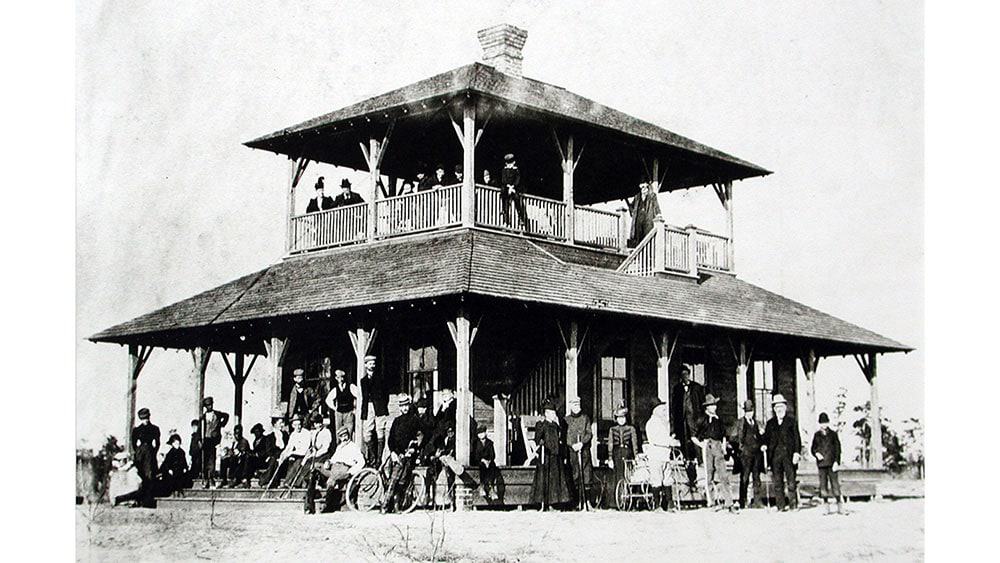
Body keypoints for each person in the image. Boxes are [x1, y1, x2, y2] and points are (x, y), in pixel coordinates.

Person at [306, 425, 366, 513]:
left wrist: (351, 472)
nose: (344, 438)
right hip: (334, 467)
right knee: (315, 466)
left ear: (348, 435)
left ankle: (327, 504)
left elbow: (361, 462)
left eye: (345, 435)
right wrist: (328, 462)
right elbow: (333, 459)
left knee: (332, 478)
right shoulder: (339, 447)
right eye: (342, 436)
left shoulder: (353, 447)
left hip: (344, 468)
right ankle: (309, 504)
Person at [692, 394, 735, 512]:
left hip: (718, 447)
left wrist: (724, 447)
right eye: (711, 405)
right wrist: (702, 445)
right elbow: (693, 436)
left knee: (723, 475)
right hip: (707, 447)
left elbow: (724, 435)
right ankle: (711, 502)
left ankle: (728, 502)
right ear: (707, 407)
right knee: (709, 475)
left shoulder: (718, 420)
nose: (714, 407)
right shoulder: (702, 419)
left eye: (714, 405)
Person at [383, 395, 423, 513]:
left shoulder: (415, 420)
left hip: (409, 454)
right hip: (397, 454)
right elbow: (391, 440)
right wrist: (393, 453)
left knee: (402, 480)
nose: (405, 408)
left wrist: (415, 447)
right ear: (400, 407)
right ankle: (386, 504)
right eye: (402, 406)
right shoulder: (397, 421)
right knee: (394, 478)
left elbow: (422, 435)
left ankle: (396, 505)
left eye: (406, 405)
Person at [762, 394, 802, 511]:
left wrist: (796, 453)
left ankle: (793, 505)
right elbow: (766, 438)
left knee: (791, 482)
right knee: (777, 482)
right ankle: (780, 506)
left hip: (789, 456)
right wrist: (764, 445)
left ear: (785, 407)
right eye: (776, 407)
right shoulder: (770, 423)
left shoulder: (791, 421)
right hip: (775, 456)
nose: (779, 409)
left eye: (781, 406)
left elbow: (797, 439)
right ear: (774, 409)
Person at [530, 399, 571, 509]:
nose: (554, 415)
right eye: (552, 413)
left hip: (556, 456)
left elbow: (560, 439)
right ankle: (545, 503)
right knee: (545, 480)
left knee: (555, 481)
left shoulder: (556, 426)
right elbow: (537, 439)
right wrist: (537, 447)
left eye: (554, 413)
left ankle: (554, 503)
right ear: (547, 413)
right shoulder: (542, 425)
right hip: (546, 456)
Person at [670, 365, 705, 487]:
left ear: (689, 374)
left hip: (695, 423)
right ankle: (689, 472)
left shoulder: (697, 388)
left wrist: (700, 421)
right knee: (685, 448)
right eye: (682, 374)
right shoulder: (677, 389)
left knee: (696, 447)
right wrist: (674, 428)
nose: (685, 376)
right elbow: (674, 409)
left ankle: (699, 473)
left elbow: (702, 406)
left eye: (686, 374)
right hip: (683, 424)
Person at [355, 355, 390, 464]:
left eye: (373, 364)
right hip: (368, 407)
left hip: (379, 407)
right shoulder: (363, 381)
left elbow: (386, 394)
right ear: (365, 365)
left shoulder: (380, 378)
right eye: (370, 364)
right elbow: (364, 396)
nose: (372, 366)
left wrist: (383, 405)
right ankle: (373, 457)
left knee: (380, 431)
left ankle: (379, 459)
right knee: (367, 433)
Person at [644, 402, 676, 511]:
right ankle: (656, 505)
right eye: (662, 410)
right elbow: (656, 440)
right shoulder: (652, 423)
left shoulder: (662, 423)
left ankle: (670, 504)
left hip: (665, 455)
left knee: (667, 479)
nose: (665, 412)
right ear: (656, 410)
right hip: (656, 455)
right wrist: (670, 442)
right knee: (656, 480)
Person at [811, 412, 844, 515]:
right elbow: (813, 448)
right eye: (821, 423)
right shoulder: (816, 435)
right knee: (823, 486)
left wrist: (836, 462)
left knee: (835, 485)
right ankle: (826, 507)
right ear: (819, 424)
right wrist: (816, 454)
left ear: (828, 423)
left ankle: (840, 506)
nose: (823, 425)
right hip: (821, 465)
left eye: (825, 423)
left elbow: (838, 449)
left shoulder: (833, 434)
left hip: (832, 464)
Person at [735, 399, 765, 509]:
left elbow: (759, 437)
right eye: (748, 411)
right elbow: (738, 439)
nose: (750, 413)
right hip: (746, 455)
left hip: (756, 454)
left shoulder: (756, 423)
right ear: (745, 412)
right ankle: (742, 501)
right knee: (745, 478)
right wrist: (742, 450)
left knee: (757, 478)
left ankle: (757, 501)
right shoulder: (741, 422)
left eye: (751, 411)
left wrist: (761, 441)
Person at [608, 406, 639, 508]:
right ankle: (617, 501)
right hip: (617, 454)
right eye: (619, 418)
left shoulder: (631, 429)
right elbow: (610, 444)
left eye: (623, 417)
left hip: (627, 453)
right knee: (617, 476)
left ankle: (630, 501)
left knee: (629, 476)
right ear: (616, 419)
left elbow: (634, 443)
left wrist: (636, 456)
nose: (621, 420)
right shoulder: (612, 429)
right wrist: (610, 458)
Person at [565, 396, 593, 507]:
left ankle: (587, 502)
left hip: (584, 451)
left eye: (578, 404)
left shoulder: (585, 418)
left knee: (586, 476)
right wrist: (572, 445)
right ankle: (578, 503)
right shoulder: (566, 420)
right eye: (574, 404)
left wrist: (582, 443)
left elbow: (589, 433)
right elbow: (565, 436)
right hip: (573, 452)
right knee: (575, 476)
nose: (577, 406)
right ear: (571, 405)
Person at [131, 407, 160, 507]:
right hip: (140, 456)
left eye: (147, 418)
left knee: (150, 476)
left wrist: (152, 452)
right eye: (143, 418)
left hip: (150, 455)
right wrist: (139, 452)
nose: (145, 420)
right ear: (140, 418)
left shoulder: (154, 429)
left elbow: (157, 443)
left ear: (149, 417)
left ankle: (148, 501)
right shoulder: (137, 430)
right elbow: (133, 444)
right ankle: (139, 500)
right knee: (140, 477)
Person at [200, 396, 230, 488]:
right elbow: (200, 430)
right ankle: (206, 479)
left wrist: (221, 425)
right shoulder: (203, 417)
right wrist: (199, 441)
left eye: (211, 404)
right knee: (205, 460)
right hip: (206, 440)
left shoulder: (217, 414)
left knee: (212, 460)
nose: (210, 406)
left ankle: (212, 478)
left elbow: (226, 416)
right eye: (208, 405)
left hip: (213, 440)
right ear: (205, 406)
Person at [275, 415, 312, 487]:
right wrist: (283, 455)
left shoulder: (306, 433)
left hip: (306, 456)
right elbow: (289, 447)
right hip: (297, 455)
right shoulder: (293, 434)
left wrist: (291, 453)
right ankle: (280, 481)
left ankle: (288, 482)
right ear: (292, 426)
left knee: (297, 461)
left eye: (299, 424)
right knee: (287, 460)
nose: (298, 427)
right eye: (295, 425)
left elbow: (304, 450)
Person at [627, 181, 662, 246]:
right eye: (642, 187)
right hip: (638, 222)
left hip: (648, 220)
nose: (643, 188)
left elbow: (656, 206)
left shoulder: (652, 196)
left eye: (645, 186)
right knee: (638, 239)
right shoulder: (637, 197)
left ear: (647, 186)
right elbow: (631, 206)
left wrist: (659, 214)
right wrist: (632, 212)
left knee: (647, 238)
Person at [324, 369, 356, 440]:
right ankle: (339, 448)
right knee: (339, 432)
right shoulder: (335, 389)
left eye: (342, 377)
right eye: (338, 378)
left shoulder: (351, 387)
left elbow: (359, 396)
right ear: (336, 378)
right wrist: (334, 408)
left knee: (349, 431)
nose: (340, 379)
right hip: (339, 413)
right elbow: (328, 400)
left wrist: (355, 408)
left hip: (349, 413)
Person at [500, 153, 529, 230]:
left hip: (514, 188)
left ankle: (521, 219)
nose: (510, 165)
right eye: (508, 163)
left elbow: (517, 180)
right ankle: (506, 221)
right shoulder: (504, 170)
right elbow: (503, 180)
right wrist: (508, 187)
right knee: (505, 203)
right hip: (507, 188)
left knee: (517, 200)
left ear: (514, 163)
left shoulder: (516, 170)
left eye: (511, 163)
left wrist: (513, 187)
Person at [473, 423, 500, 501]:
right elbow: (475, 455)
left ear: (485, 433)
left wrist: (489, 461)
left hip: (489, 461)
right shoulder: (476, 443)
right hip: (480, 461)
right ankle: (482, 486)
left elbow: (493, 455)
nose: (481, 435)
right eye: (479, 433)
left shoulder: (490, 443)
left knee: (492, 466)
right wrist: (483, 460)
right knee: (482, 466)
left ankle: (491, 488)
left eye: (482, 433)